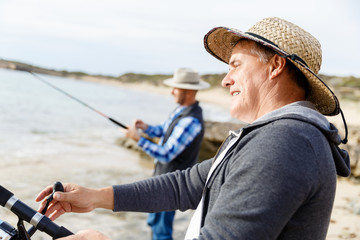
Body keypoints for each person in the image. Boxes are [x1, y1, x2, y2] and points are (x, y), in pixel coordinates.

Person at [36, 17, 350, 240]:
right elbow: (186, 185)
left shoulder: (284, 143)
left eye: (236, 65)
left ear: (276, 66)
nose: (226, 79)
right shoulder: (276, 136)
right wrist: (96, 196)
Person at [122, 67, 210, 240]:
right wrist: (145, 127)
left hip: (171, 187)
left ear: (189, 91)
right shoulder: (180, 111)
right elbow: (163, 130)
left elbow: (166, 154)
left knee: (162, 231)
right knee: (155, 223)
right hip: (161, 180)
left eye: (175, 88)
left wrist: (138, 139)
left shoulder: (191, 120)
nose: (171, 91)